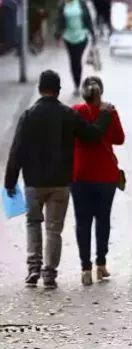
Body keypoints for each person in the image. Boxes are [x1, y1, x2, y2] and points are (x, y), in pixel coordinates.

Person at [3, 70, 113, 289]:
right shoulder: (67, 115)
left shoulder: (28, 115)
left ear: (39, 89)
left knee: (33, 223)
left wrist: (10, 180)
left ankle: (34, 267)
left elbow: (17, 151)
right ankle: (50, 274)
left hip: (33, 182)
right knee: (54, 229)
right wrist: (104, 115)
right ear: (59, 90)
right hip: (60, 183)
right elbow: (92, 135)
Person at [71, 76, 125, 286]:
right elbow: (120, 138)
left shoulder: (76, 111)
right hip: (105, 176)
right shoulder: (109, 112)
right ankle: (101, 265)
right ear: (100, 93)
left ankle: (85, 269)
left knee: (82, 222)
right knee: (103, 220)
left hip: (80, 174)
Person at [55, 0, 96, 96]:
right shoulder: (63, 4)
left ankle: (77, 84)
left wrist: (93, 34)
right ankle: (76, 85)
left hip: (82, 36)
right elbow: (59, 20)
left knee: (77, 60)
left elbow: (88, 19)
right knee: (73, 60)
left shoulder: (81, 3)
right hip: (68, 37)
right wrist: (57, 35)